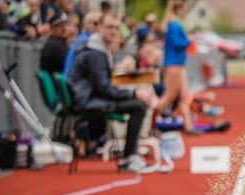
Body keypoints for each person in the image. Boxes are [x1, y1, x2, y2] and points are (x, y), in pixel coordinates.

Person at [68, 12, 154, 172]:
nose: (114, 31)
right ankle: (129, 158)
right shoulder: (96, 52)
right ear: (99, 27)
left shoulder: (98, 48)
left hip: (89, 97)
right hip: (87, 101)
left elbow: (104, 84)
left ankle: (130, 155)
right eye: (109, 27)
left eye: (116, 27)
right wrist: (134, 93)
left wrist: (131, 90)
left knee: (137, 101)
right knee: (138, 106)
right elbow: (104, 89)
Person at [155, 0, 199, 135]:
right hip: (173, 65)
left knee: (183, 97)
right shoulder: (173, 24)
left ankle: (189, 127)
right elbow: (177, 43)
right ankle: (150, 122)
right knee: (169, 96)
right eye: (183, 8)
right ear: (178, 9)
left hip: (179, 65)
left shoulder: (175, 23)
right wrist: (189, 39)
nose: (185, 11)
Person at [63, 10, 99, 75]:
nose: (99, 26)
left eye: (102, 23)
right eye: (96, 23)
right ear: (86, 25)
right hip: (74, 82)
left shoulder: (84, 37)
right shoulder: (87, 42)